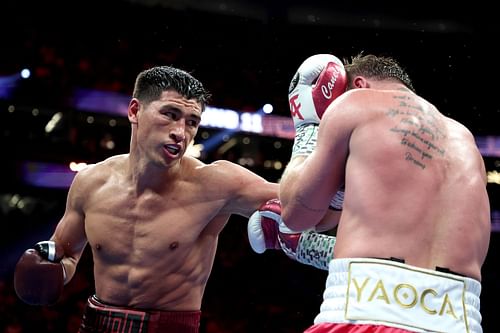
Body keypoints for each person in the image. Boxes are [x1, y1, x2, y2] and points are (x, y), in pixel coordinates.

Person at [13, 65, 287, 333]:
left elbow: (301, 203)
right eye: (170, 114)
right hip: (96, 324)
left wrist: (316, 144)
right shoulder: (91, 182)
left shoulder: (217, 183)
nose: (181, 133)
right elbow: (66, 251)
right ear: (135, 111)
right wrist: (51, 268)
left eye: (191, 122)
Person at [279, 53, 491, 333]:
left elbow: (296, 213)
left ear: (358, 84)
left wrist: (307, 128)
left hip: (366, 316)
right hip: (461, 321)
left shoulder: (354, 102)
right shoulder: (465, 140)